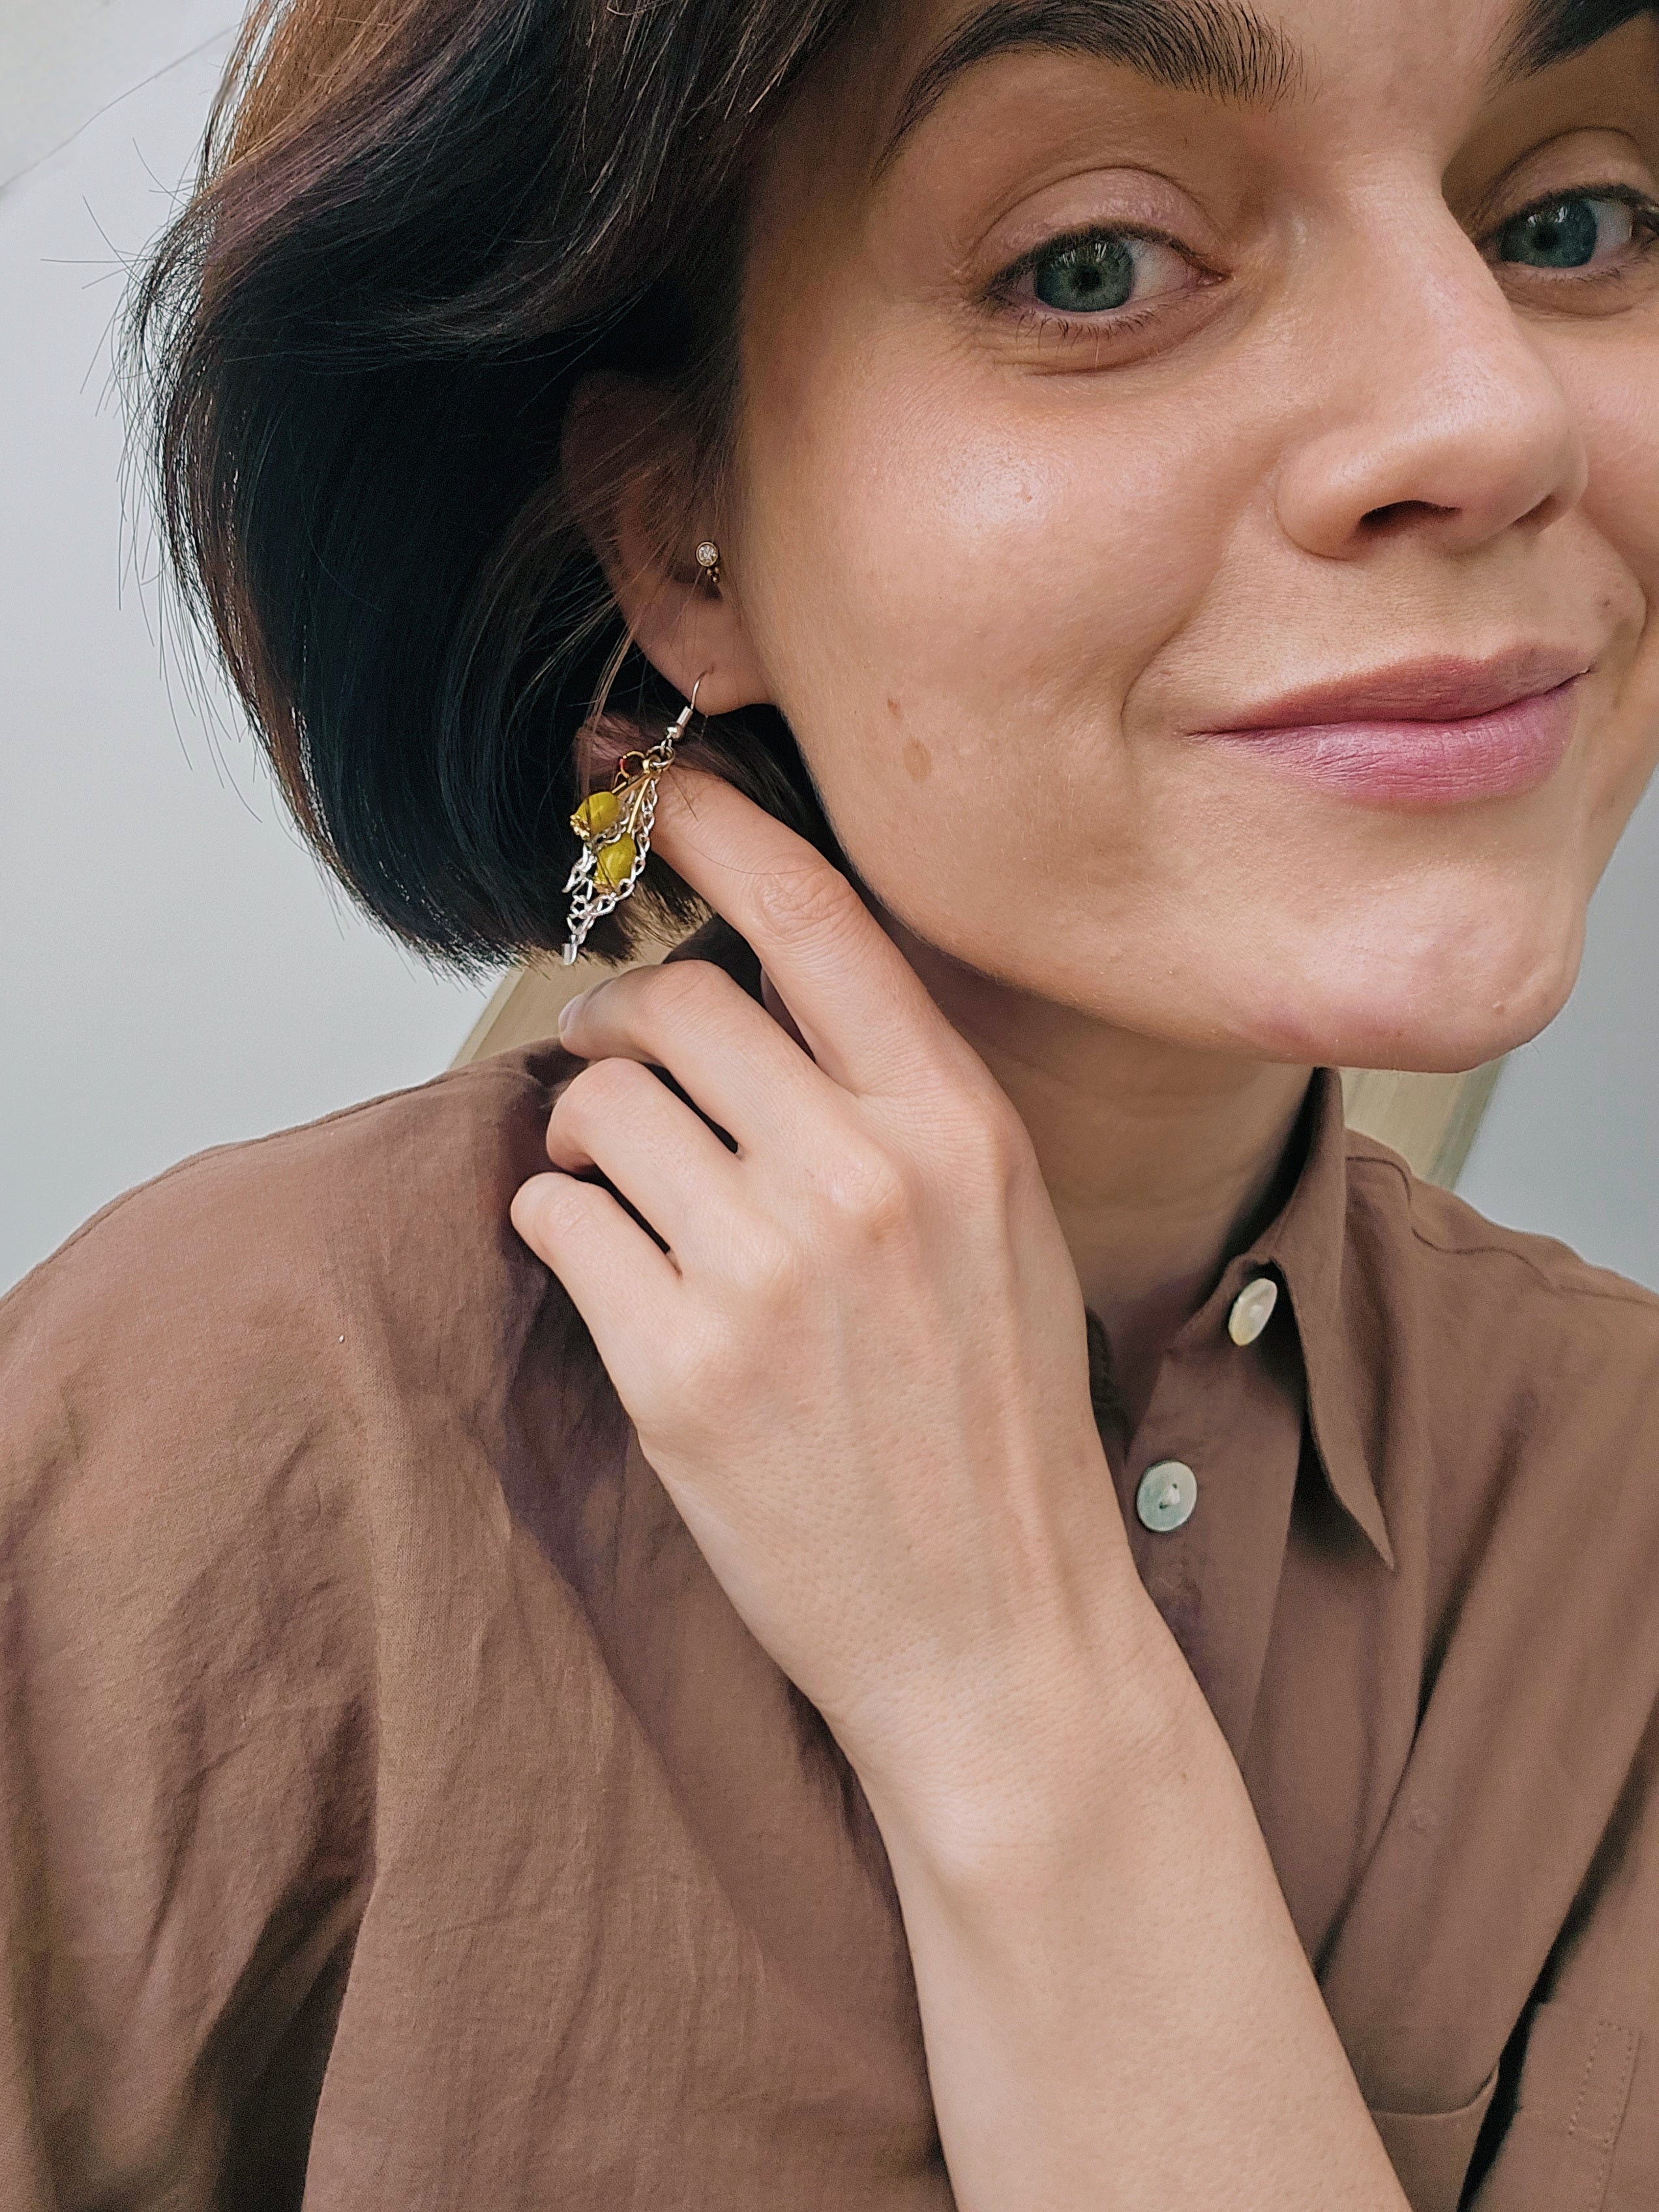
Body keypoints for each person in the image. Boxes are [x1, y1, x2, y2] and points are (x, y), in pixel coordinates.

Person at [3, 0, 1658, 2202]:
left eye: (1577, 218)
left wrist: (1023, 1699)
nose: (1490, 414)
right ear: (676, 527)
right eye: (1093, 261)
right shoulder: (224, 1397)